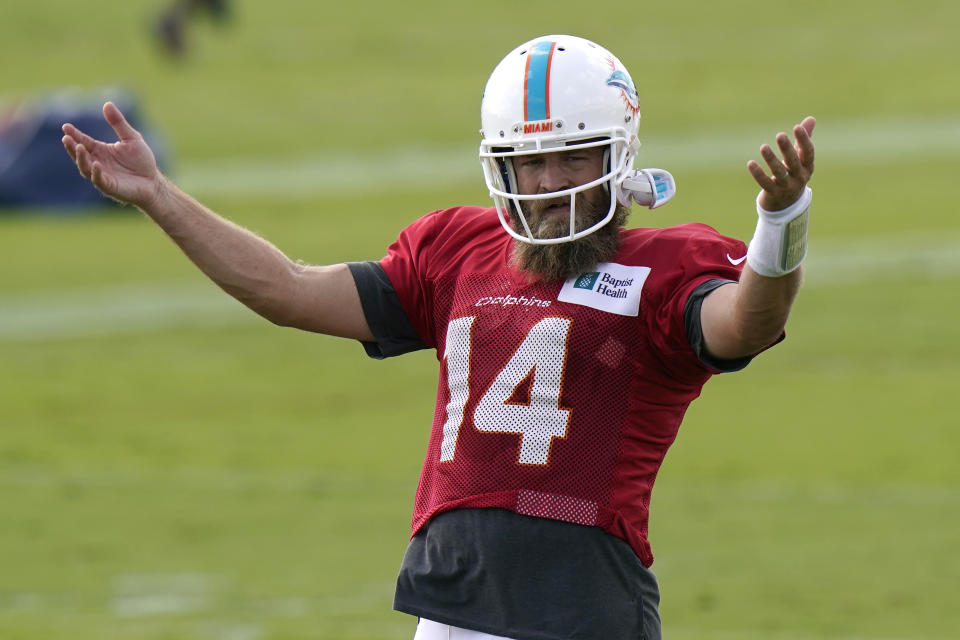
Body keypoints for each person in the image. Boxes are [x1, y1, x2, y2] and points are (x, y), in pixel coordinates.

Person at [61, 34, 815, 640]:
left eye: (572, 156)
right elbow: (288, 291)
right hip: (450, 598)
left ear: (619, 153)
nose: (550, 180)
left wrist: (780, 227)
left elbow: (746, 321)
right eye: (531, 160)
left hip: (579, 603)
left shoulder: (662, 268)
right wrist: (160, 198)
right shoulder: (457, 251)